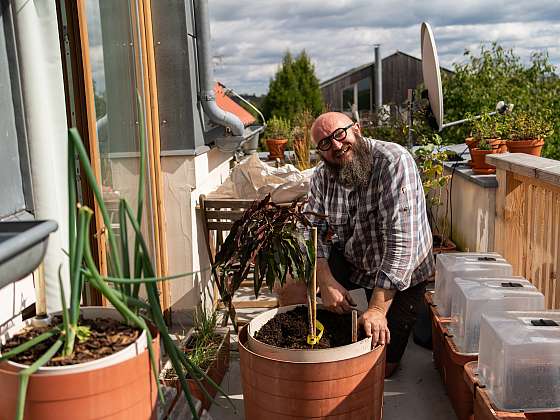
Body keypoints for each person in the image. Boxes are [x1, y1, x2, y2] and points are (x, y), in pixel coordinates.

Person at [304, 111, 435, 377]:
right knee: (294, 290)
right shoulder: (321, 176)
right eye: (325, 143)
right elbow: (311, 230)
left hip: (404, 274)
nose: (336, 146)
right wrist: (326, 280)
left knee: (380, 367)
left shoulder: (394, 162)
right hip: (355, 262)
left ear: (357, 129)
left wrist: (376, 309)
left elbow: (402, 243)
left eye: (339, 134)